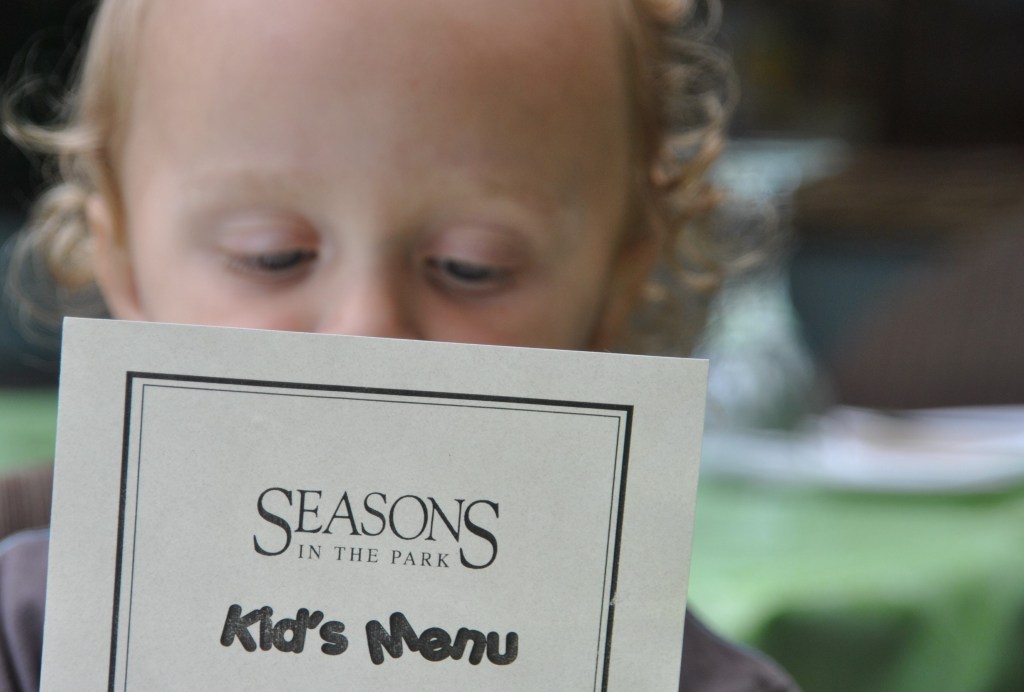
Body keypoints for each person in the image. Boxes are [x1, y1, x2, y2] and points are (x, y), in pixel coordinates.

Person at [0, 0, 798, 689]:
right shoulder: (29, 647)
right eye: (272, 255)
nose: (366, 331)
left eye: (471, 267)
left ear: (612, 291)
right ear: (122, 264)